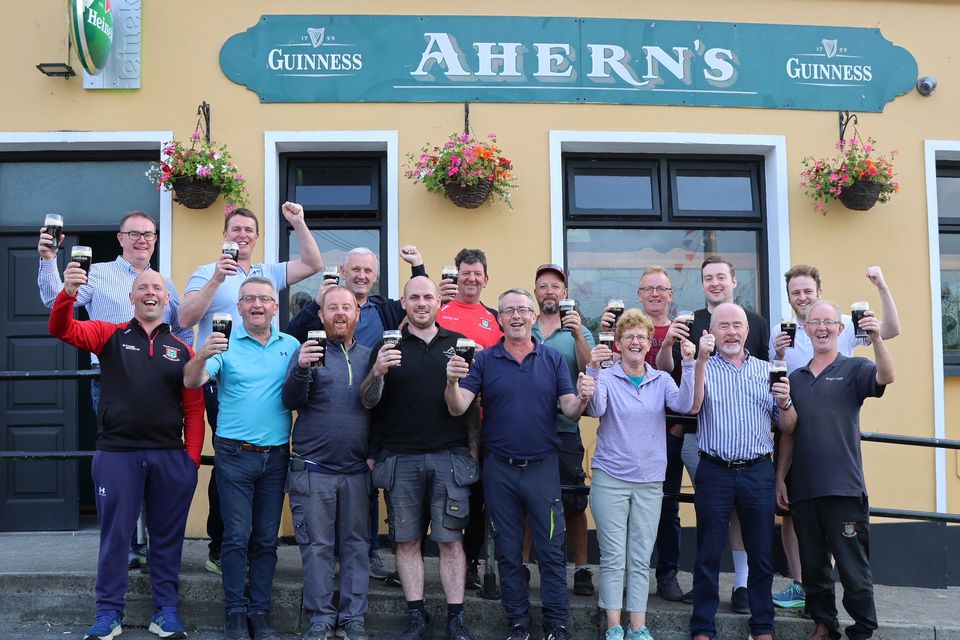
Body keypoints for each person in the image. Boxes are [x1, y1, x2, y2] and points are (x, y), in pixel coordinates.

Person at [49, 266, 203, 640]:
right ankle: (108, 614)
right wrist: (68, 293)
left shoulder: (183, 349)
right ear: (131, 297)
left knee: (167, 538)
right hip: (117, 455)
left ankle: (165, 612)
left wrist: (191, 461)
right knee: (116, 536)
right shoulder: (108, 334)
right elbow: (61, 328)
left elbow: (194, 409)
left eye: (158, 288)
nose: (151, 293)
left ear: (167, 299)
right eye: (143, 288)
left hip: (170, 458)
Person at [38, 210, 194, 570]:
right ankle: (128, 543)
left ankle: (150, 542)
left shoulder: (161, 281)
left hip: (162, 385)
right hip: (112, 380)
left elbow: (182, 331)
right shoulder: (99, 272)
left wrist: (188, 365)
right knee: (123, 467)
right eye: (134, 233)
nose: (143, 240)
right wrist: (49, 261)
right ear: (120, 238)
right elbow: (53, 303)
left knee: (155, 464)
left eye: (149, 234)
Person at [179, 202, 322, 576]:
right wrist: (216, 280)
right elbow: (185, 317)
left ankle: (249, 543)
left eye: (249, 230)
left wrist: (299, 222)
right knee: (229, 454)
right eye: (235, 229)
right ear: (224, 235)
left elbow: (313, 264)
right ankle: (220, 542)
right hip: (221, 371)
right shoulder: (206, 271)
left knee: (262, 452)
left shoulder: (266, 271)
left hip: (266, 368)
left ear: (256, 238)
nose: (242, 235)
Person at [445, 288, 595, 640]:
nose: (516, 316)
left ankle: (557, 624)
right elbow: (456, 406)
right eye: (508, 310)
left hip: (543, 467)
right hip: (499, 470)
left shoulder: (553, 360)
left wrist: (584, 397)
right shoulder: (484, 360)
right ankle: (518, 623)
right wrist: (452, 380)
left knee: (551, 550)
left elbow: (571, 409)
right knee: (509, 552)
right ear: (499, 319)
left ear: (532, 317)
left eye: (522, 310)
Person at [286, 244, 427, 581]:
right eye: (356, 270)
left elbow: (420, 302)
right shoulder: (325, 310)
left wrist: (418, 267)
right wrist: (319, 301)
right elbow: (292, 339)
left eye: (368, 271)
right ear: (344, 273)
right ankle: (335, 561)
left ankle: (370, 553)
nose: (362, 275)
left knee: (367, 487)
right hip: (327, 410)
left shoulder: (384, 310)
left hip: (374, 406)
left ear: (375, 277)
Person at [768, 265, 900, 610]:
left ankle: (856, 620)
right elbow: (779, 396)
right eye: (795, 292)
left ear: (819, 292)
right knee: (793, 518)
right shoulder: (782, 335)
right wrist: (779, 355)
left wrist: (881, 287)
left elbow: (890, 336)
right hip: (795, 432)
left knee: (845, 550)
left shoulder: (841, 328)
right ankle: (804, 591)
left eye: (807, 291)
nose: (801, 297)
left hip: (836, 452)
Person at [360, 276, 476, 640]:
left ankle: (455, 619)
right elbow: (367, 402)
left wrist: (473, 454)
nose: (422, 303)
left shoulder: (458, 344)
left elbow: (472, 410)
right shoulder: (386, 344)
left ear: (438, 303)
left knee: (451, 542)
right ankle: (416, 617)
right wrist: (377, 371)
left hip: (449, 458)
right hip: (400, 459)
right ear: (405, 303)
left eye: (428, 296)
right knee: (406, 541)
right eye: (415, 297)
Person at [183, 276, 300, 640]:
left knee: (266, 539)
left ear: (275, 307)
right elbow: (191, 381)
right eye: (249, 299)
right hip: (234, 455)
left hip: (277, 456)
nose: (257, 305)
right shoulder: (224, 342)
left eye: (264, 299)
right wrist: (202, 353)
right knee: (235, 536)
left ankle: (259, 613)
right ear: (239, 306)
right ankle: (235, 612)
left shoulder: (291, 345)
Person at [656, 255, 770, 612]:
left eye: (722, 277)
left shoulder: (756, 322)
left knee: (738, 516)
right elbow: (671, 372)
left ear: (734, 281)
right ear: (702, 283)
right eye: (708, 278)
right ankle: (697, 593)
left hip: (748, 444)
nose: (716, 283)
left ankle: (741, 583)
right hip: (698, 436)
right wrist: (668, 345)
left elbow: (766, 376)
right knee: (706, 516)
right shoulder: (689, 321)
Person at [585, 309, 697, 640]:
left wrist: (689, 365)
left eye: (641, 337)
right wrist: (592, 369)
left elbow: (685, 404)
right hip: (610, 478)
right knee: (612, 556)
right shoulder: (606, 376)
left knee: (639, 556)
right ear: (617, 343)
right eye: (628, 336)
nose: (635, 341)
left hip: (649, 479)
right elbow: (596, 410)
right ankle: (614, 627)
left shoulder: (661, 379)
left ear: (649, 344)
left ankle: (638, 626)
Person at [688, 303, 796, 640]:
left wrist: (786, 403)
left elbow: (789, 426)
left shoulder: (769, 370)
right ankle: (703, 627)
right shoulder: (699, 368)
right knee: (707, 553)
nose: (731, 332)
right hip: (715, 470)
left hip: (757, 471)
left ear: (747, 331)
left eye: (737, 325)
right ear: (712, 333)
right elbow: (691, 406)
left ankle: (762, 627)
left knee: (762, 554)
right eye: (724, 326)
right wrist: (700, 363)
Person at [281, 286, 372, 640]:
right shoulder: (307, 352)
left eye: (346, 308)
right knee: (316, 547)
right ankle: (320, 617)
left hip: (356, 471)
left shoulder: (370, 355)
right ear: (321, 315)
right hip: (313, 469)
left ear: (356, 314)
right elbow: (289, 399)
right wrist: (302, 368)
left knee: (356, 547)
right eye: (332, 307)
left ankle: (353, 619)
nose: (339, 313)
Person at [601, 266, 694, 602]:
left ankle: (667, 574)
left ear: (671, 294)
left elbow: (687, 380)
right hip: (635, 436)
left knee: (669, 507)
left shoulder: (685, 330)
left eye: (661, 288)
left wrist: (679, 425)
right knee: (626, 511)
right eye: (648, 288)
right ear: (638, 294)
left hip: (678, 433)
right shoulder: (627, 329)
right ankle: (624, 577)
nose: (655, 294)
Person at [436, 248, 503, 590]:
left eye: (478, 273)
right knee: (435, 489)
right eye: (466, 273)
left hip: (482, 420)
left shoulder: (494, 318)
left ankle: (472, 561)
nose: (471, 279)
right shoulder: (438, 311)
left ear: (486, 279)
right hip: (440, 417)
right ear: (456, 276)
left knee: (477, 494)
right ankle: (418, 559)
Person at [529, 264, 595, 596]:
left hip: (566, 427)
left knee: (573, 500)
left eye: (556, 286)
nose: (550, 291)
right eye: (543, 286)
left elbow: (589, 370)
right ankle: (525, 567)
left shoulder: (579, 331)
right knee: (526, 498)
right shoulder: (525, 325)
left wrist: (579, 335)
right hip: (527, 427)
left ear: (565, 294)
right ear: (536, 293)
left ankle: (582, 568)